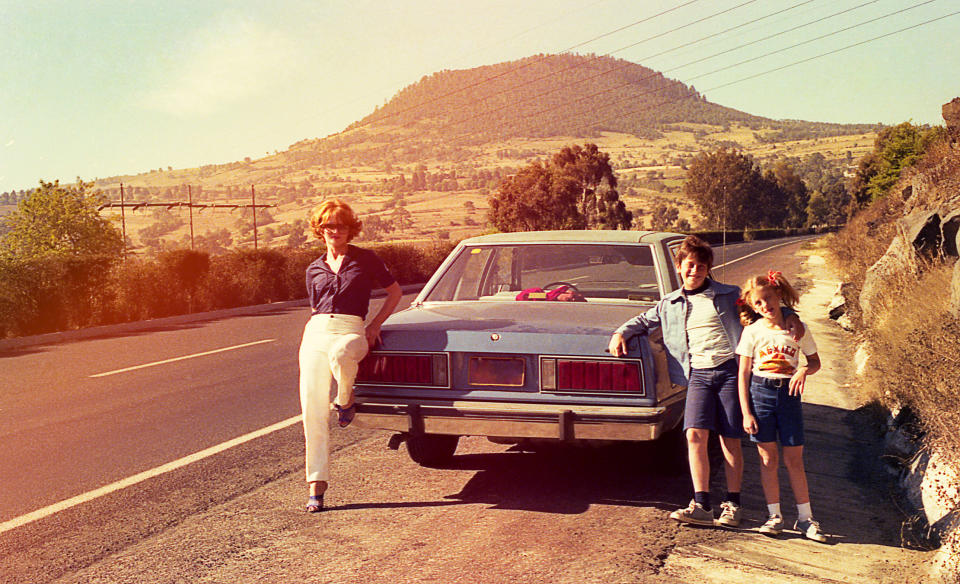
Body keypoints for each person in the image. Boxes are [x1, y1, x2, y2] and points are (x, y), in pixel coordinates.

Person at [608, 235, 802, 528]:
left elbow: (763, 308)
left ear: (708, 268)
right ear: (678, 267)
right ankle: (701, 504)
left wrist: (790, 316)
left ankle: (733, 505)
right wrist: (620, 332)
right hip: (697, 374)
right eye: (689, 265)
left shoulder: (728, 295)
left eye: (701, 266)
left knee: (729, 438)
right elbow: (643, 321)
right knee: (694, 435)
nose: (694, 271)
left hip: (728, 372)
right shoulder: (669, 303)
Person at [299, 199, 402, 513]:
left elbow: (395, 292)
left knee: (343, 354)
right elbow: (315, 308)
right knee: (312, 409)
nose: (335, 231)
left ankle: (345, 401)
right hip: (316, 331)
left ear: (350, 229)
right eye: (329, 225)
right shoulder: (313, 268)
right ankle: (316, 486)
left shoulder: (366, 259)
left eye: (341, 225)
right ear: (320, 229)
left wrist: (375, 325)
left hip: (352, 328)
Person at [736, 270, 827, 542]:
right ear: (753, 307)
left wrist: (803, 371)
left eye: (768, 299)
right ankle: (774, 515)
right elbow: (743, 373)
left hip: (789, 396)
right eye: (758, 304)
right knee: (767, 459)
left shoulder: (797, 329)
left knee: (794, 460)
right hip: (760, 395)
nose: (765, 306)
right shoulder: (752, 332)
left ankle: (805, 518)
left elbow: (815, 362)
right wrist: (746, 412)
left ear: (778, 295)